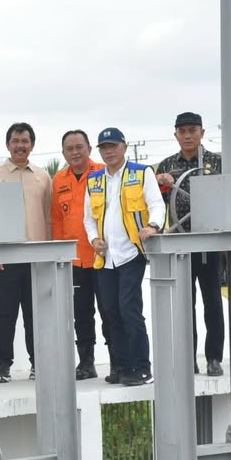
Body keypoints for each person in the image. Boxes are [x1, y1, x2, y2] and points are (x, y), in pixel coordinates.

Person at [83, 127, 166, 387]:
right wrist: (93, 238)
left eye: (113, 146)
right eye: (104, 147)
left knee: (129, 309)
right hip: (105, 258)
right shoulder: (94, 180)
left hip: (131, 252)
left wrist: (152, 226)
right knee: (110, 312)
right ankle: (121, 366)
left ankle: (142, 368)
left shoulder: (142, 173)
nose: (109, 151)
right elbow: (88, 218)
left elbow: (157, 204)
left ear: (124, 146)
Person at [155, 111, 225, 377]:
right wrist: (158, 183)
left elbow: (228, 198)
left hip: (210, 243)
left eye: (192, 130)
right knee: (184, 305)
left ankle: (214, 358)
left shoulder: (218, 163)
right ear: (175, 135)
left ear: (202, 133)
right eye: (182, 131)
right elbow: (152, 202)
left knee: (213, 303)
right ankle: (187, 358)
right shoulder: (164, 166)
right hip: (180, 245)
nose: (187, 135)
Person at [0, 122, 52, 383]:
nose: (20, 146)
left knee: (34, 315)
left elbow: (49, 217)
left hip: (36, 257)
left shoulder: (43, 176)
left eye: (25, 141)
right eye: (15, 141)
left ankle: (38, 363)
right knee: (6, 315)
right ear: (7, 145)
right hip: (6, 258)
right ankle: (2, 366)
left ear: (32, 145)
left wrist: (48, 254)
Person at [51, 129, 110, 380]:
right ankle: (86, 363)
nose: (75, 152)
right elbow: (56, 219)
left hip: (103, 256)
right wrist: (57, 254)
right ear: (63, 152)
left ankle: (118, 361)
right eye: (69, 149)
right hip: (73, 260)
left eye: (79, 147)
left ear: (89, 148)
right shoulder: (58, 180)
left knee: (109, 311)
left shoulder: (103, 173)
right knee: (81, 314)